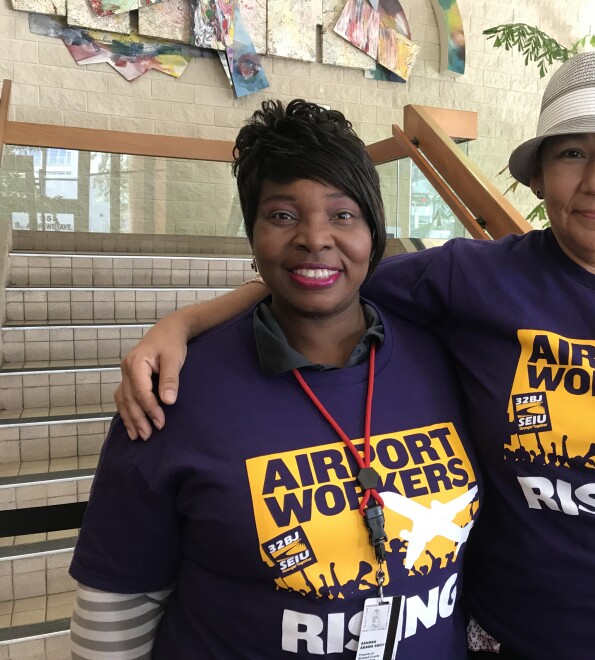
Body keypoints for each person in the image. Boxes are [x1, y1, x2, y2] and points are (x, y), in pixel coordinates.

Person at [114, 49, 595, 659]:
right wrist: (188, 320)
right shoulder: (473, 279)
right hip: (520, 636)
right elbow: (325, 273)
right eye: (572, 152)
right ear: (539, 174)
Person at [69, 100, 481, 658]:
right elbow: (116, 605)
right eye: (283, 215)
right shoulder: (174, 390)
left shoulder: (440, 357)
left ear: (374, 231)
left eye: (343, 214)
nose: (315, 238)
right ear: (253, 234)